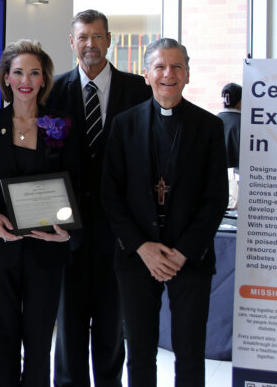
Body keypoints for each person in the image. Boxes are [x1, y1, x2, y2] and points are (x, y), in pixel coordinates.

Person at [101, 38, 228, 387]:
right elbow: (110, 194)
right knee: (140, 354)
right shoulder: (123, 125)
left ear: (187, 74)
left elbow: (216, 198)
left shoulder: (209, 127)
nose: (168, 74)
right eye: (160, 67)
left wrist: (183, 252)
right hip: (137, 257)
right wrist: (143, 247)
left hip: (190, 257)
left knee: (189, 354)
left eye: (176, 67)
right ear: (146, 75)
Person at [46, 10, 150, 387]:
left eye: (97, 36)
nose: (90, 44)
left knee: (111, 333)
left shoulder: (139, 91)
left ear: (110, 40)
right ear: (72, 42)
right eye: (83, 37)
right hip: (66, 233)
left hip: (120, 234)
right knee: (69, 331)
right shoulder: (53, 91)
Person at [0, 39, 76, 387]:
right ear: (7, 79)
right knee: (5, 339)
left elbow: (75, 181)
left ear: (44, 79)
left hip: (47, 248)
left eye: (34, 72)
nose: (26, 79)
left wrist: (66, 228)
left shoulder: (60, 124)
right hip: (2, 246)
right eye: (18, 72)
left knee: (39, 341)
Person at [217, 82, 241, 172]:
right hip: (238, 174)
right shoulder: (244, 123)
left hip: (216, 173)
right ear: (240, 101)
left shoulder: (212, 121)